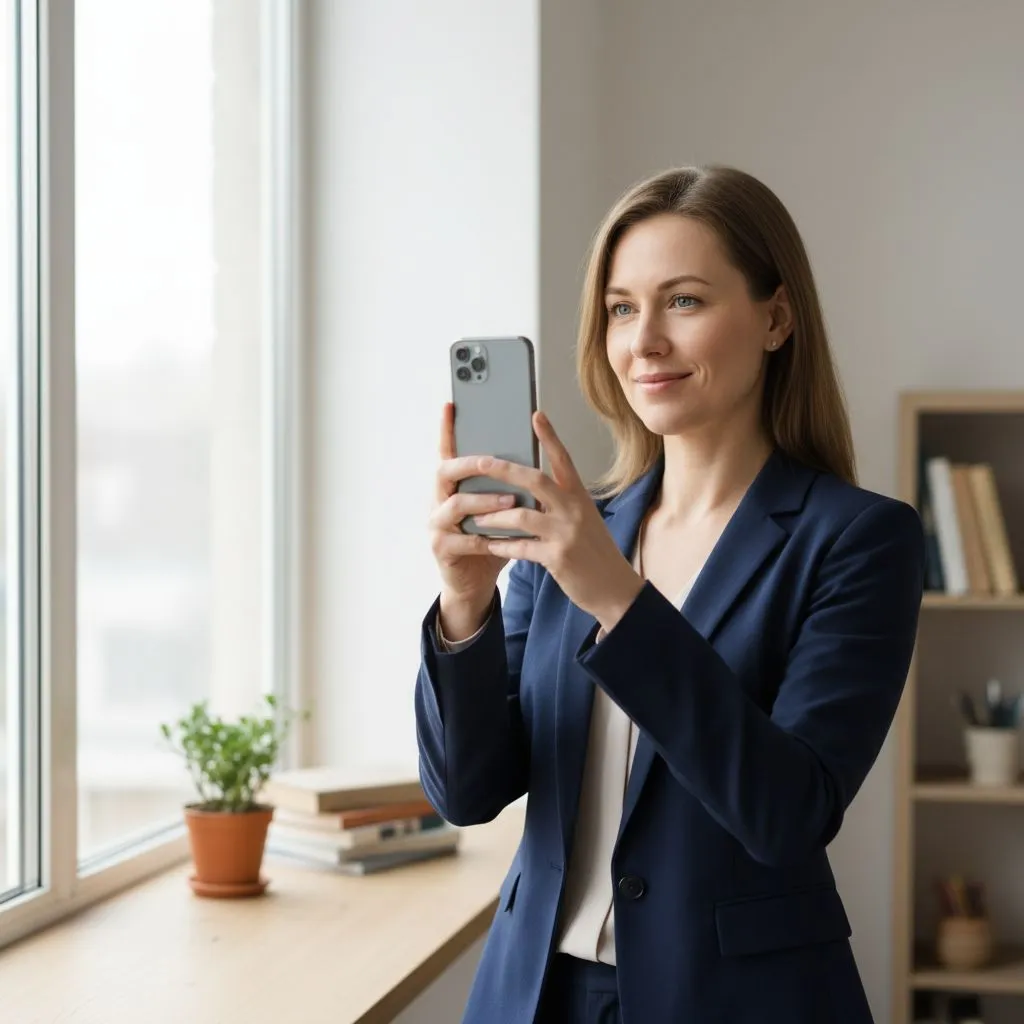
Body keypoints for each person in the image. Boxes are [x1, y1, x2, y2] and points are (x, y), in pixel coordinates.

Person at [414, 164, 925, 1024]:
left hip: (739, 1000)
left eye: (682, 301)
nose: (643, 340)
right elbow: (467, 794)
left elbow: (787, 814)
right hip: (538, 992)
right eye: (621, 308)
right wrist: (465, 605)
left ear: (776, 317)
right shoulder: (566, 533)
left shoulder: (859, 539)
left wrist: (619, 599)